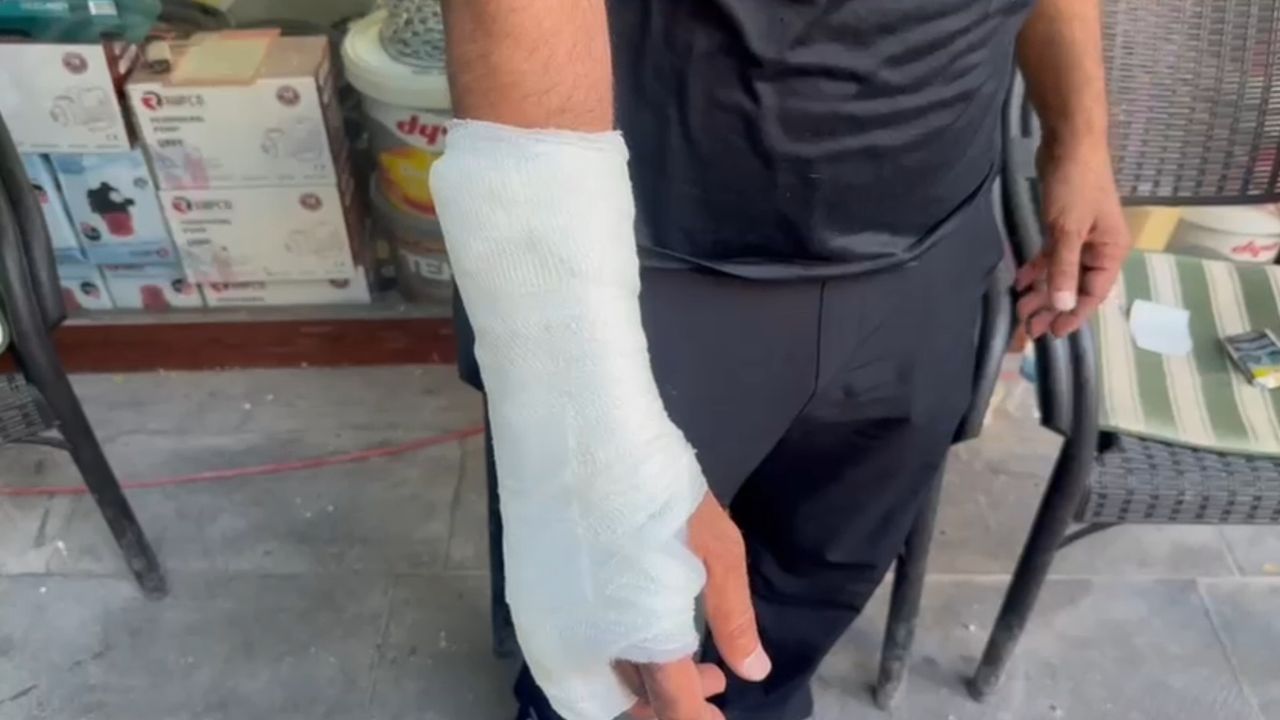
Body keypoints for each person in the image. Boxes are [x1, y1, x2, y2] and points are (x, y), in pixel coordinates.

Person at [430, 1, 1131, 719]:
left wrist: (1079, 137)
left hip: (930, 246)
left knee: (817, 577)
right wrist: (579, 385)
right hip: (659, 252)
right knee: (609, 618)